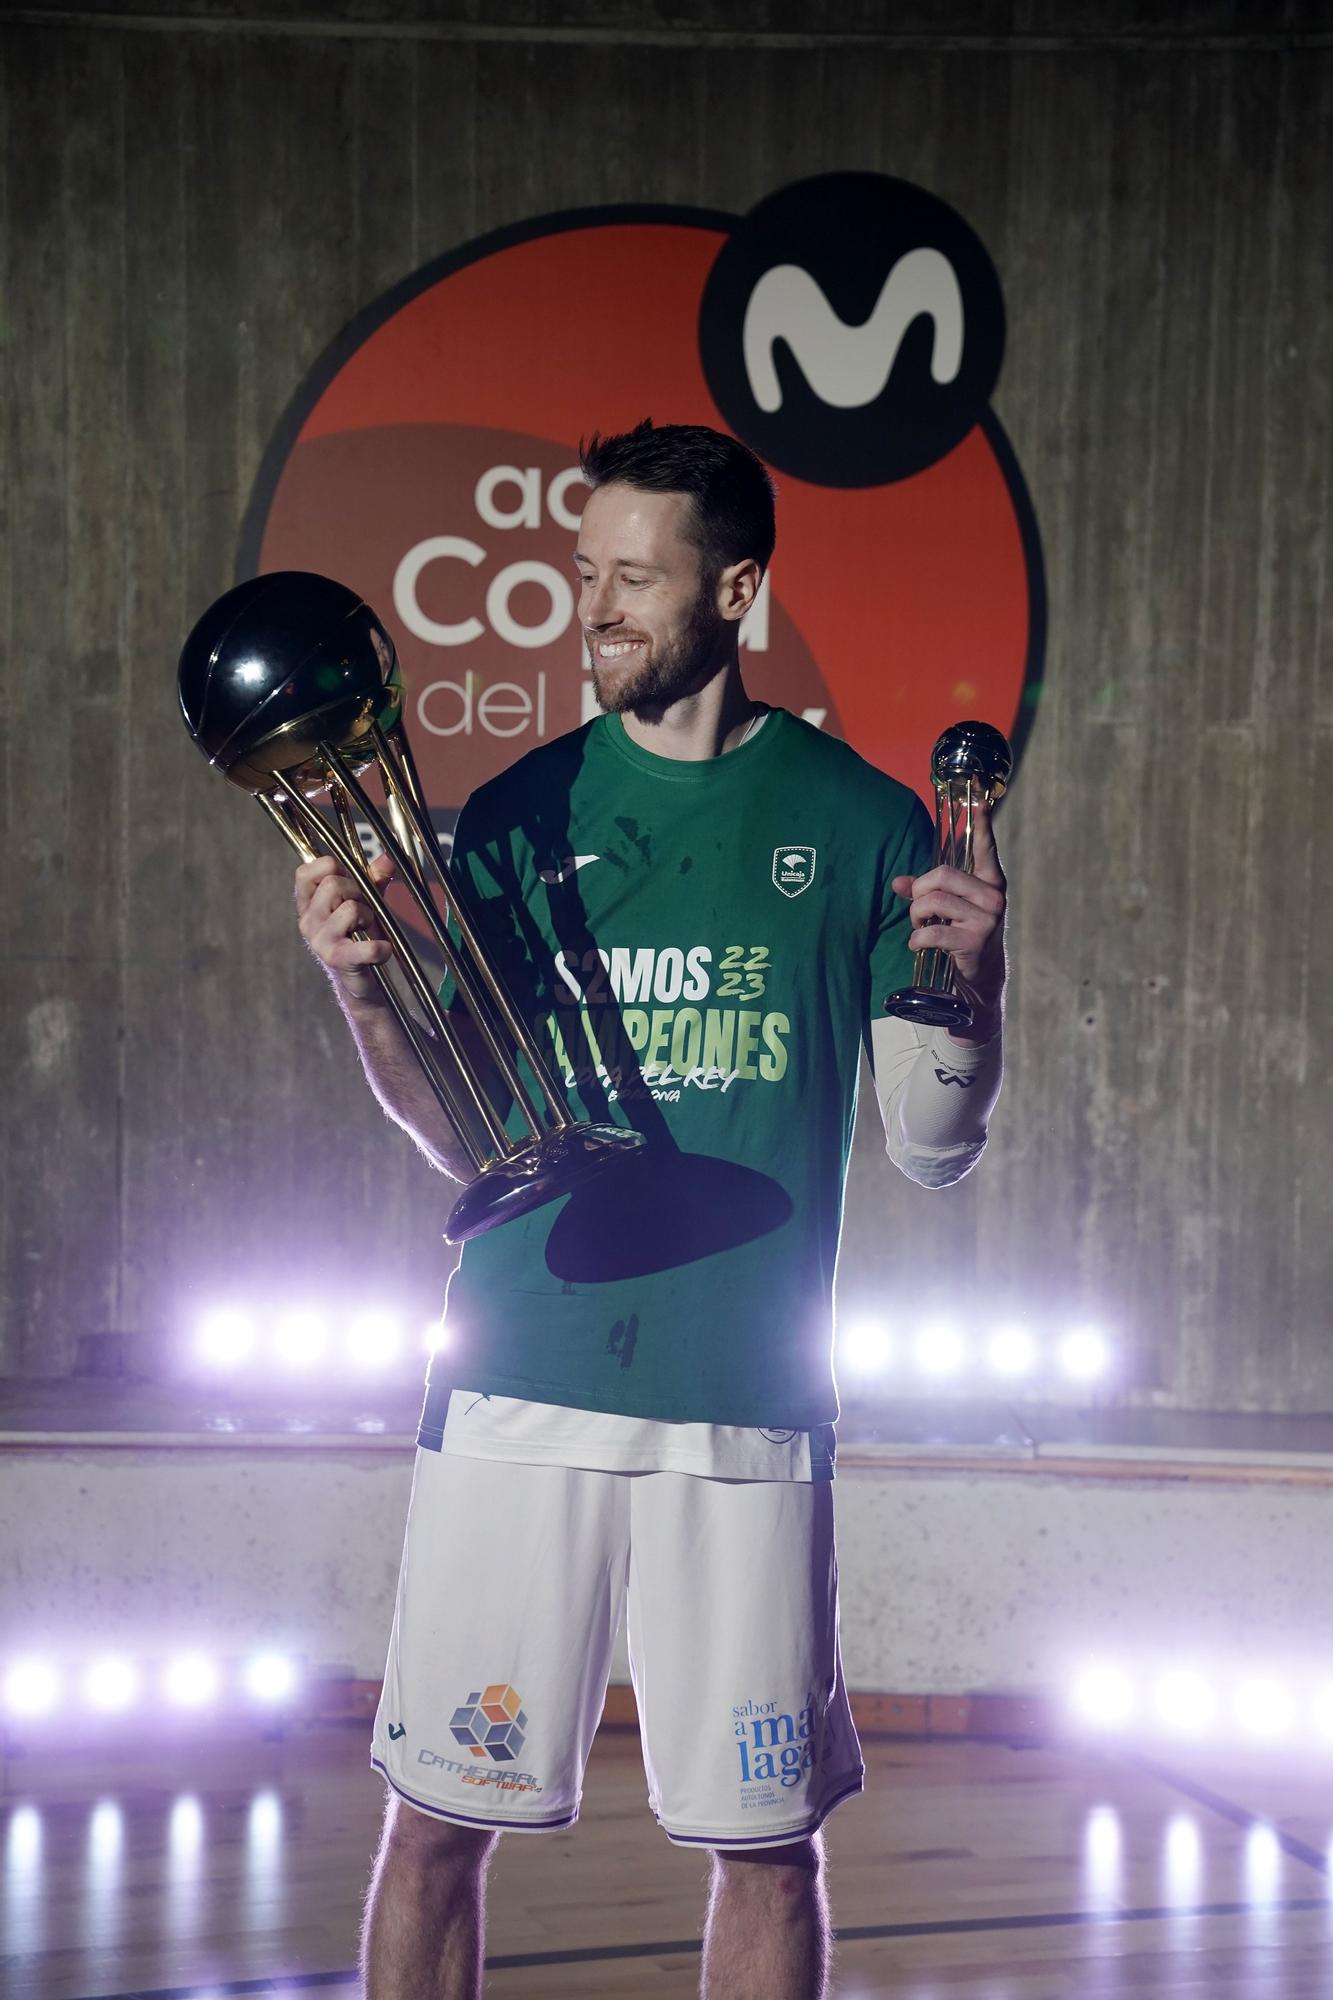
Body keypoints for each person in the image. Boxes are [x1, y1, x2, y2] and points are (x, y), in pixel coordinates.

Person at [294, 421, 1008, 2000]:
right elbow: (454, 1137)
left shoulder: (869, 822)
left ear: (736, 586)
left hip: (741, 1406)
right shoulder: (513, 820)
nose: (593, 610)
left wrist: (974, 979)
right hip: (512, 1384)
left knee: (764, 1845)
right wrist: (361, 995)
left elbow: (932, 1145)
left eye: (632, 577)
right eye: (579, 575)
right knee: (431, 1829)